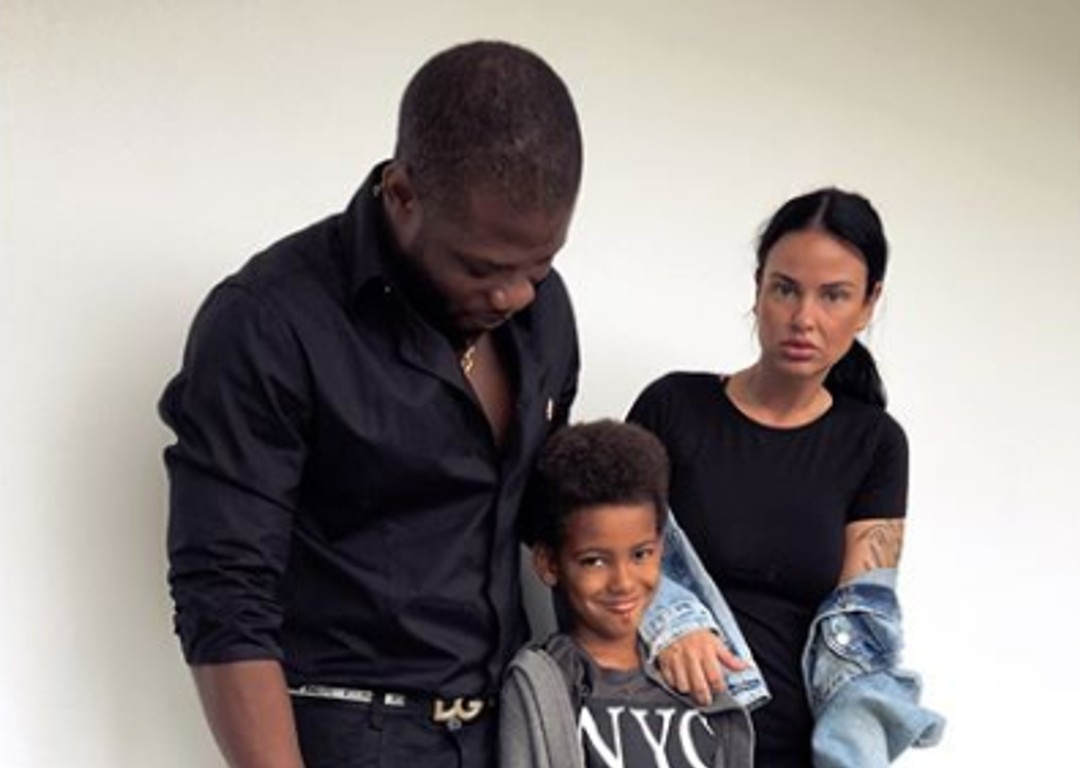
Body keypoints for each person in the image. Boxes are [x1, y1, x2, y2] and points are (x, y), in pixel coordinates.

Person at [160, 41, 583, 768]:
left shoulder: (543, 312)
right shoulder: (269, 320)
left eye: (540, 265)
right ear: (402, 194)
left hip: (509, 728)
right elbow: (224, 592)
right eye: (481, 268)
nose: (514, 295)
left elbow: (547, 526)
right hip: (348, 731)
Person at [629, 188, 914, 768]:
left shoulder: (875, 444)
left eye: (834, 296)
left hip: (797, 750)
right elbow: (599, 560)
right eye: (785, 288)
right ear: (758, 287)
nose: (803, 318)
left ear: (869, 304)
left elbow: (863, 622)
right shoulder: (672, 406)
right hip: (658, 736)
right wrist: (668, 624)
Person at [501, 420, 754, 768]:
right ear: (549, 564)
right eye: (594, 561)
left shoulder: (696, 678)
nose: (623, 582)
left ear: (661, 549)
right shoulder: (542, 684)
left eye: (640, 554)